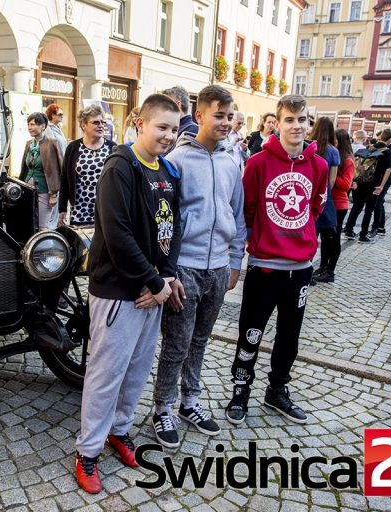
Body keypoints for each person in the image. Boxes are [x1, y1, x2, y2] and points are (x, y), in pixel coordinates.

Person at [74, 93, 182, 493]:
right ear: (140, 123)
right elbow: (117, 234)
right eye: (162, 127)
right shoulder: (120, 167)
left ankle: (119, 431)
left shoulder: (168, 171)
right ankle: (87, 451)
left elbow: (174, 231)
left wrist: (166, 278)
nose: (168, 135)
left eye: (174, 129)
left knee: (136, 372)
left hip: (151, 293)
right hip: (120, 294)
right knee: (106, 376)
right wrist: (155, 284)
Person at [151, 85, 246, 449]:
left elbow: (237, 215)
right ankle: (162, 407)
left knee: (201, 341)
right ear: (200, 115)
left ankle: (190, 401)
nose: (225, 122)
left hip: (218, 266)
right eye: (218, 115)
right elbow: (166, 217)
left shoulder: (231, 160)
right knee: (177, 342)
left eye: (229, 115)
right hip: (185, 266)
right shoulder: (177, 160)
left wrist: (235, 259)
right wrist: (168, 270)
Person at [225, 94, 328, 426]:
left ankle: (277, 390)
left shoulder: (319, 166)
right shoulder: (257, 163)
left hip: (299, 269)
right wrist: (245, 254)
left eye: (302, 120)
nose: (296, 126)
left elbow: (315, 209)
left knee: (289, 335)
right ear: (278, 123)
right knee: (251, 331)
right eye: (289, 119)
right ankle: (240, 389)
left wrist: (301, 242)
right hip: (264, 266)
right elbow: (248, 211)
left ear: (309, 123)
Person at [58, 105, 117, 226]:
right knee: (81, 244)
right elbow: (64, 178)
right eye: (96, 122)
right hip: (80, 210)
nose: (101, 125)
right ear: (83, 125)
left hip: (106, 210)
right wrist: (62, 208)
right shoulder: (73, 147)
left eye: (102, 122)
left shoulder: (113, 147)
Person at [315, 129, 354, 283]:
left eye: (335, 140)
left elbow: (346, 185)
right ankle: (323, 267)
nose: (332, 143)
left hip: (338, 204)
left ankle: (330, 271)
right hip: (329, 203)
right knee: (325, 239)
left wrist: (332, 173)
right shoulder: (333, 155)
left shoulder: (348, 160)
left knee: (334, 238)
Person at [344, 128, 391, 243]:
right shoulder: (387, 152)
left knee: (357, 207)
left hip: (360, 183)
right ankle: (363, 235)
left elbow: (358, 165)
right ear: (390, 139)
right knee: (368, 210)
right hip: (374, 185)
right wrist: (381, 186)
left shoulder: (369, 147)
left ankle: (348, 229)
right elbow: (388, 170)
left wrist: (354, 180)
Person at [19, 112, 62, 230]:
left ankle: (45, 248)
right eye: (28, 124)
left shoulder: (52, 143)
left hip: (44, 191)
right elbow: (25, 167)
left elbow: (57, 169)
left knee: (43, 225)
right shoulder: (29, 143)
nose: (29, 128)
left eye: (32, 124)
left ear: (42, 126)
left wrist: (54, 194)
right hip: (27, 190)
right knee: (28, 223)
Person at [310, 117, 339, 280]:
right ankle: (323, 269)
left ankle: (304, 269)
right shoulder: (333, 151)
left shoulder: (308, 146)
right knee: (326, 237)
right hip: (323, 198)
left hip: (307, 195)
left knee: (308, 234)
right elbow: (332, 180)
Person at [370, 129, 391, 237]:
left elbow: (389, 168)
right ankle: (380, 226)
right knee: (379, 203)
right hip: (378, 179)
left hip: (385, 180)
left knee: (378, 204)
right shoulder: (385, 148)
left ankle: (377, 226)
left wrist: (382, 184)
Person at [162, 85, 197, 153]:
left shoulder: (192, 131)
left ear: (177, 105)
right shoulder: (176, 128)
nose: (161, 110)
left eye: (164, 106)